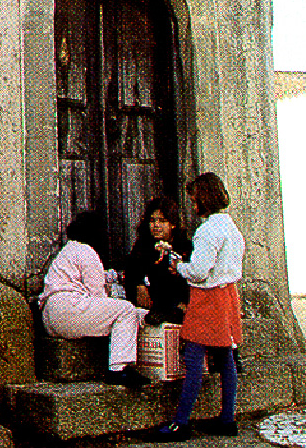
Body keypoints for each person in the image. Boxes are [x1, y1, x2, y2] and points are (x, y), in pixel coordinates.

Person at [150, 173, 245, 442]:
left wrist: (178, 266)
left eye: (194, 200)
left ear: (202, 199)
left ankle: (181, 422)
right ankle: (227, 418)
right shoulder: (231, 227)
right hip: (227, 295)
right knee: (225, 357)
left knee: (193, 360)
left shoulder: (207, 231)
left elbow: (200, 271)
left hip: (207, 298)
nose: (192, 205)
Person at [39, 211, 151, 388]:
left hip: (50, 315)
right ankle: (118, 369)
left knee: (127, 312)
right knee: (126, 310)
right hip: (69, 311)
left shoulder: (69, 249)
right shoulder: (87, 251)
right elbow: (97, 296)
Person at [124, 197, 192, 325]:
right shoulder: (142, 246)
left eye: (162, 221)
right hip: (149, 303)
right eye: (152, 221)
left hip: (175, 304)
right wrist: (139, 285)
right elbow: (131, 272)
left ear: (172, 223)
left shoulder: (184, 247)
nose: (156, 225)